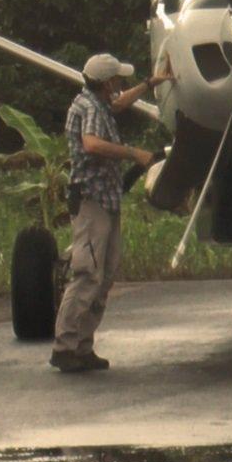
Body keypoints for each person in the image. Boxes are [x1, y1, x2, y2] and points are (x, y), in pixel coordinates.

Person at [49, 53, 171, 373]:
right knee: (88, 272)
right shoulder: (90, 107)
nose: (120, 84)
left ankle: (83, 345)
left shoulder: (97, 103)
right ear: (106, 83)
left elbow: (117, 106)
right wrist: (134, 154)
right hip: (91, 200)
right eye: (117, 80)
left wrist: (149, 84)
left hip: (106, 200)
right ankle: (65, 345)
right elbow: (91, 144)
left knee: (105, 271)